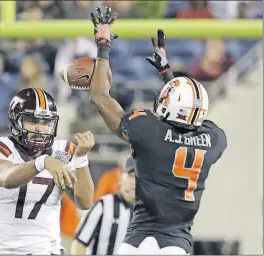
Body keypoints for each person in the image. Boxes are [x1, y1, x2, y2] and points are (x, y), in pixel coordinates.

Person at [85, 7, 227, 255]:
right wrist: (168, 75)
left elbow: (99, 96)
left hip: (138, 240)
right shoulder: (213, 139)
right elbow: (190, 115)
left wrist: (103, 44)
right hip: (176, 244)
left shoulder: (148, 130)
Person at [0, 88, 95, 255]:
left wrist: (81, 158)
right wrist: (42, 162)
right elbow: (5, 178)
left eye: (46, 122)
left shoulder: (63, 150)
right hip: (10, 252)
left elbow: (84, 202)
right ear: (15, 121)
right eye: (32, 121)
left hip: (51, 250)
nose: (40, 128)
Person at [71, 156, 135, 255]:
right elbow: (79, 243)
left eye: (138, 177)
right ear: (120, 177)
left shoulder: (146, 211)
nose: (134, 182)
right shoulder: (103, 205)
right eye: (131, 175)